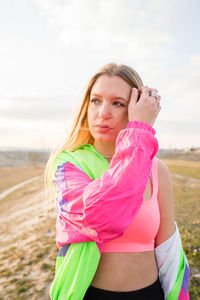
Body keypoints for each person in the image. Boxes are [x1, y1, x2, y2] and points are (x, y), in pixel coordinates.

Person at [46, 63, 190, 300]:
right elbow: (101, 216)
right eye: (95, 100)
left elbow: (169, 252)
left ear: (136, 108)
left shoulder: (157, 170)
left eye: (118, 103)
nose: (103, 112)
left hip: (151, 294)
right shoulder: (70, 163)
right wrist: (140, 131)